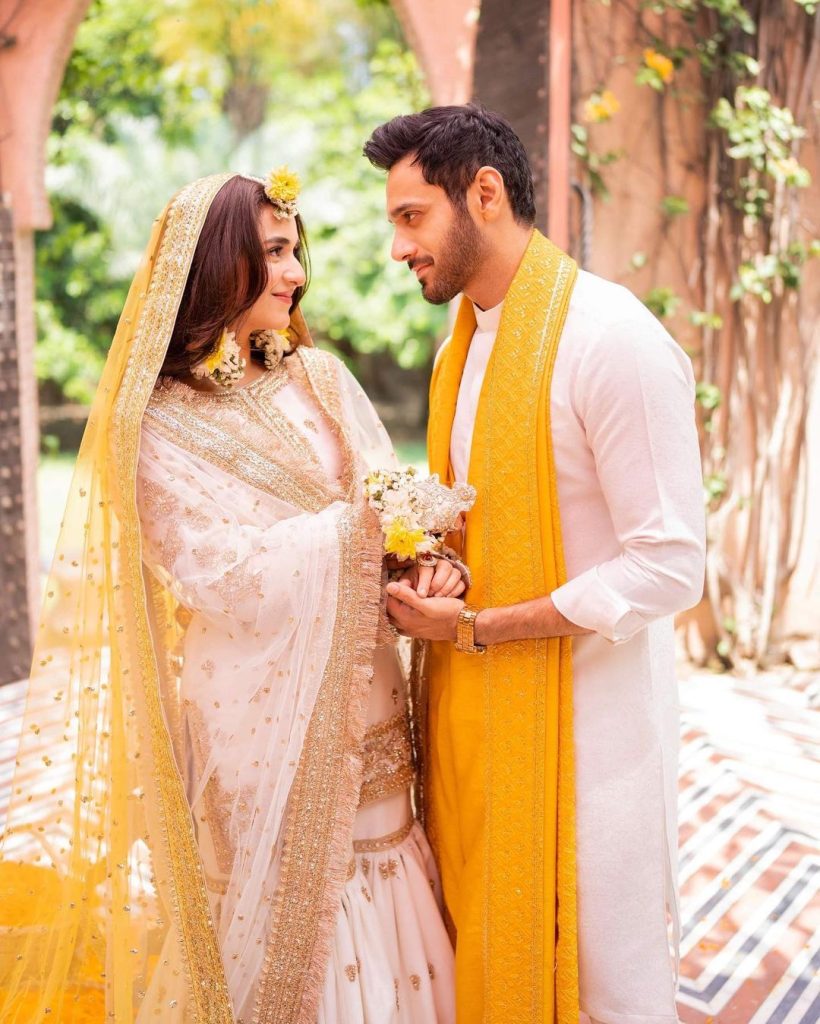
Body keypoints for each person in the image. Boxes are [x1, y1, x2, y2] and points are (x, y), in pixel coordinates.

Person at [0, 170, 458, 1023]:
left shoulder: (321, 379)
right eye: (275, 253)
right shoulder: (155, 426)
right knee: (285, 904)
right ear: (218, 267)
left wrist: (426, 558)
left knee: (383, 857)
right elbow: (225, 576)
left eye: (294, 251)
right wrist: (362, 533)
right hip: (252, 714)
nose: (296, 275)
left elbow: (392, 503)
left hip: (366, 696)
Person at [364, 105, 706, 1024]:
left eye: (411, 217)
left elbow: (671, 564)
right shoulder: (462, 350)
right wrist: (445, 575)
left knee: (603, 986)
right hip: (473, 721)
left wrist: (483, 629)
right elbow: (484, 527)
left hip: (595, 744)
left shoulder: (611, 338)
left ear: (484, 192)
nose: (398, 247)